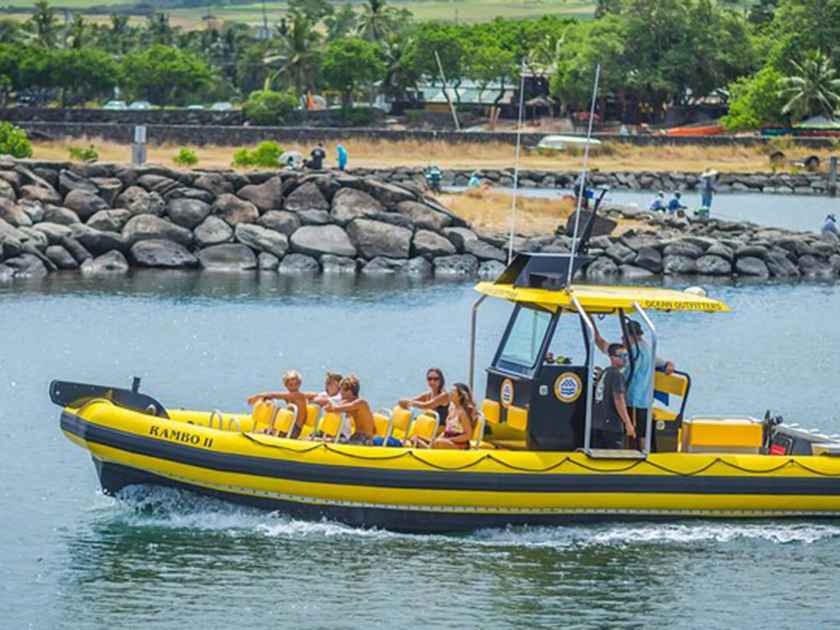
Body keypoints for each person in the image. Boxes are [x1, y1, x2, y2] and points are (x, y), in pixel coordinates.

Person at [593, 319, 674, 450]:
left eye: (624, 336)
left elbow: (623, 372)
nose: (622, 339)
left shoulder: (633, 351)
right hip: (643, 399)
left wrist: (605, 376)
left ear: (632, 336)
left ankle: (640, 456)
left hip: (635, 399)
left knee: (636, 432)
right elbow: (663, 363)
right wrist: (669, 364)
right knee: (639, 432)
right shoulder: (645, 348)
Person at [591, 344, 636, 449]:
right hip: (611, 426)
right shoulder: (617, 375)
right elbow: (619, 400)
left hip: (598, 424)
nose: (624, 358)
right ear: (612, 358)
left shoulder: (606, 372)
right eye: (621, 355)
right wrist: (628, 424)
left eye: (626, 355)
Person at [411, 383, 477, 450]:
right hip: (446, 439)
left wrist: (450, 439)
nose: (449, 393)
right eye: (450, 391)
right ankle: (426, 448)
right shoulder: (451, 408)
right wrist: (439, 438)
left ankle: (426, 449)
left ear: (460, 396)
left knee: (438, 443)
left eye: (453, 391)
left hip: (458, 444)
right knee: (415, 437)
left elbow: (468, 436)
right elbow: (447, 429)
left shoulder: (462, 413)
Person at [247, 370, 308, 438]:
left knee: (262, 433)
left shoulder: (298, 395)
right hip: (287, 427)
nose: (294, 387)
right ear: (286, 385)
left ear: (300, 384)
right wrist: (267, 400)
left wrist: (257, 396)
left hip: (293, 431)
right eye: (291, 385)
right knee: (258, 432)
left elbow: (275, 395)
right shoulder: (289, 396)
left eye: (296, 384)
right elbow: (273, 396)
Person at [324, 374, 375, 444]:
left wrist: (332, 407)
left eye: (342, 391)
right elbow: (339, 407)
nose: (340, 393)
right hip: (355, 437)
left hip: (365, 439)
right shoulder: (351, 403)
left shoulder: (361, 403)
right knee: (328, 440)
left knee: (333, 441)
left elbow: (337, 408)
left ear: (350, 392)